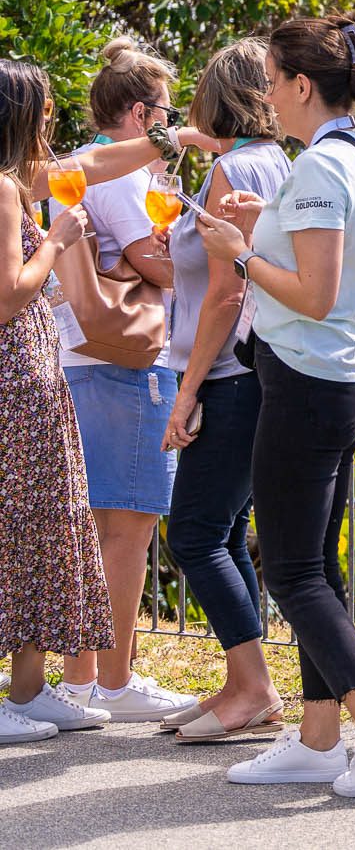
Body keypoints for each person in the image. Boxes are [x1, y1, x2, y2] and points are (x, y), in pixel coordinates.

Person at [192, 14, 355, 797]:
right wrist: (270, 233)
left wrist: (242, 253)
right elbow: (340, 264)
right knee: (313, 562)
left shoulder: (321, 167)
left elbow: (318, 295)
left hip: (308, 377)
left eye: (269, 80)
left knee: (291, 572)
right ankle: (319, 735)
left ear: (299, 84)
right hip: (342, 377)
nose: (266, 97)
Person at [2, 59, 216, 743]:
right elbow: (9, 294)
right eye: (42, 114)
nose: (50, 127)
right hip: (17, 375)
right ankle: (26, 693)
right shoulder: (5, 192)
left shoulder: (18, 180)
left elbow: (96, 163)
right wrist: (60, 242)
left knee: (45, 528)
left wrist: (174, 138)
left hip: (42, 369)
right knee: (26, 532)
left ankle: (32, 690)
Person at [57, 38, 199, 723]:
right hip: (125, 361)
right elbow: (159, 262)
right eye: (168, 113)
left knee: (96, 523)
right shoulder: (123, 178)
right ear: (144, 113)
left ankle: (86, 675)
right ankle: (111, 677)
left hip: (81, 357)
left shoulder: (88, 166)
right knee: (130, 524)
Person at [158, 40, 293, 742]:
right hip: (262, 366)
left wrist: (186, 391)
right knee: (224, 530)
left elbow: (222, 292)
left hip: (228, 371)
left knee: (192, 533)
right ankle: (245, 681)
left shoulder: (228, 169)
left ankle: (255, 685)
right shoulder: (274, 161)